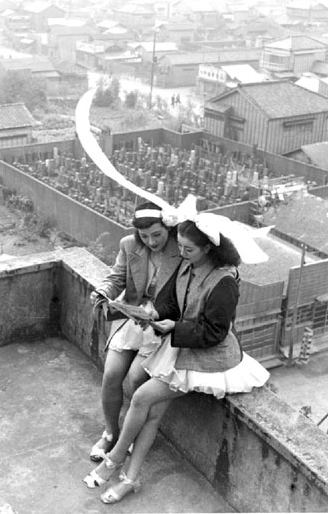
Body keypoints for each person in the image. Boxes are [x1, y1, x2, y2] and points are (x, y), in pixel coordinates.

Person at [83, 212, 270, 502]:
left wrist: (175, 328)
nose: (180, 253)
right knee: (153, 412)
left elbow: (216, 332)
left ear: (209, 248)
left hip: (209, 357)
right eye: (180, 247)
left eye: (188, 249)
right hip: (181, 347)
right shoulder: (188, 265)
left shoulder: (224, 281)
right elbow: (170, 301)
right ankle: (129, 479)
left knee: (142, 398)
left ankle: (115, 458)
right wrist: (154, 315)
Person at [88, 201, 182, 463]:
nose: (151, 241)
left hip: (161, 322)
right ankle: (110, 432)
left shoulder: (181, 250)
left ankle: (133, 435)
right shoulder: (129, 245)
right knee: (111, 374)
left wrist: (158, 314)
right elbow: (117, 277)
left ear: (168, 228)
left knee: (135, 378)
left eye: (157, 235)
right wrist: (103, 292)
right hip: (133, 316)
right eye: (145, 236)